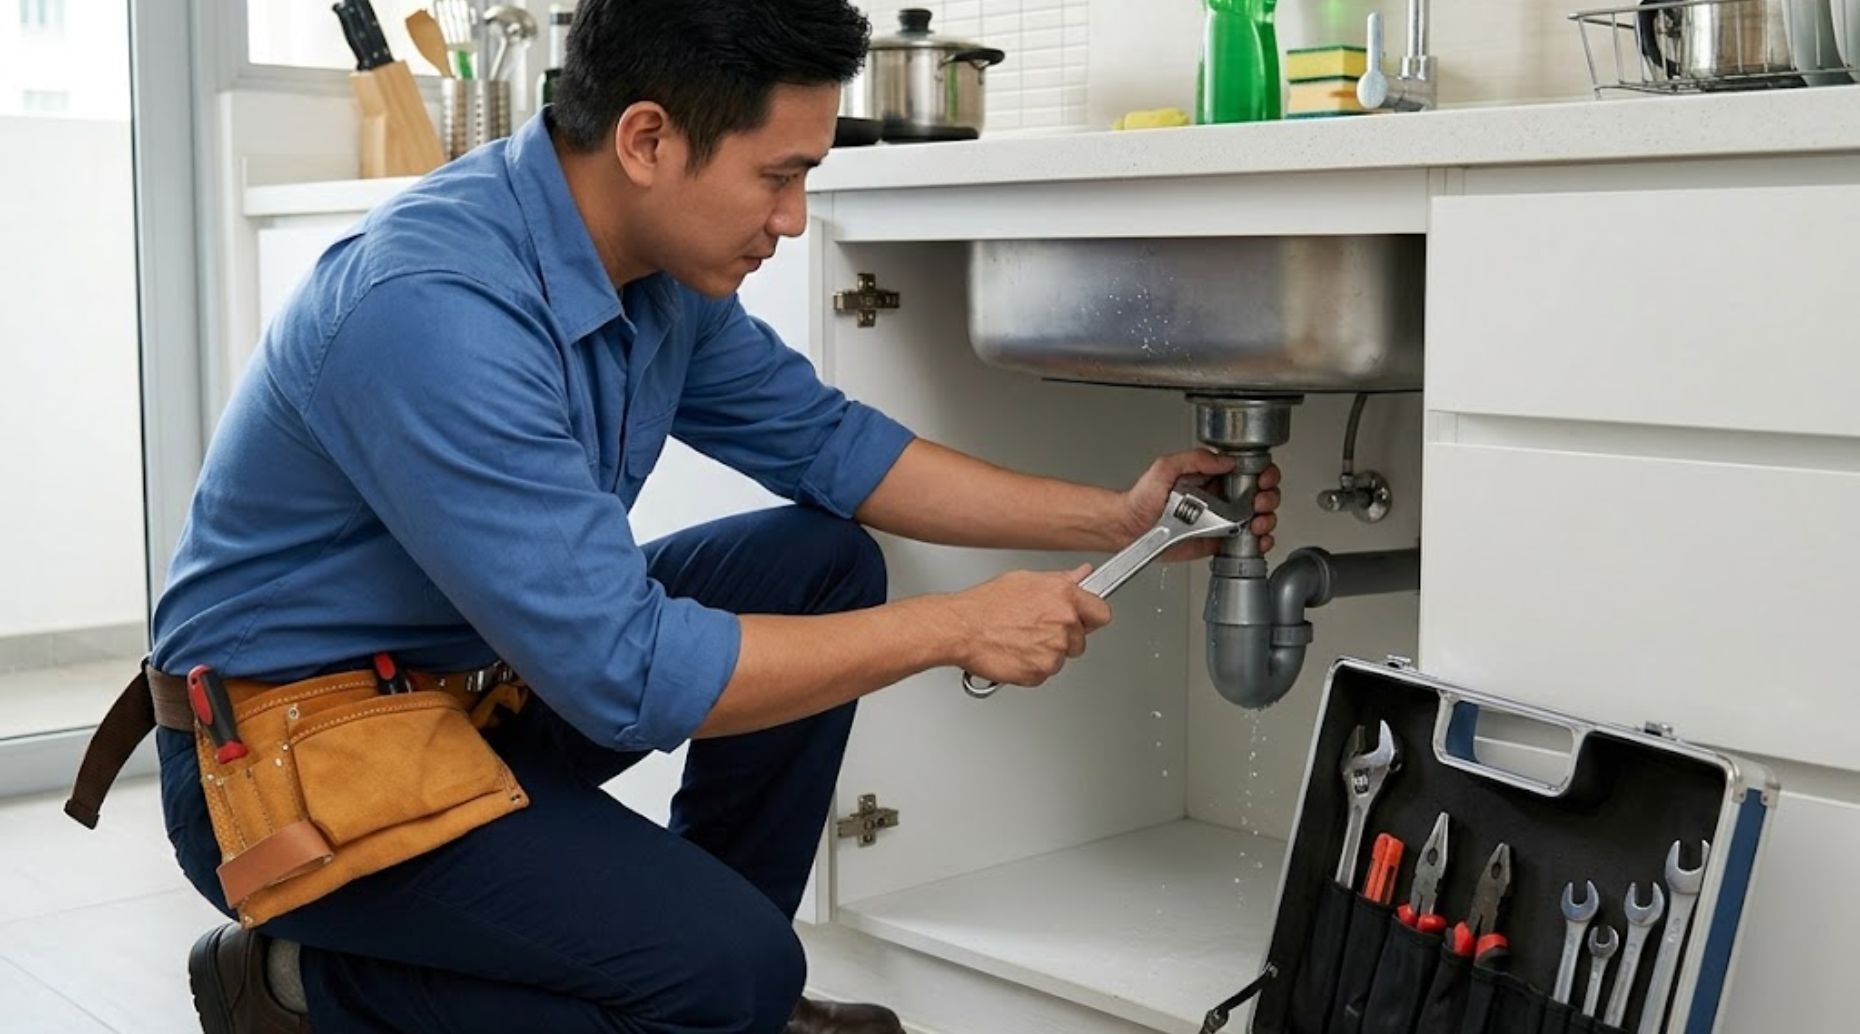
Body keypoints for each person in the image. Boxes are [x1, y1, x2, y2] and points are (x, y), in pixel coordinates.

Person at [147, 1, 1282, 1031]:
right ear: (647, 140)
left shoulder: (653, 269)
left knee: (816, 558)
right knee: (732, 969)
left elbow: (837, 449)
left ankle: (711, 987)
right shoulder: (434, 310)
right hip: (287, 757)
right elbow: (626, 672)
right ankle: (294, 984)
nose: (793, 217)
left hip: (472, 689)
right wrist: (954, 627)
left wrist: (1123, 515)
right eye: (777, 176)